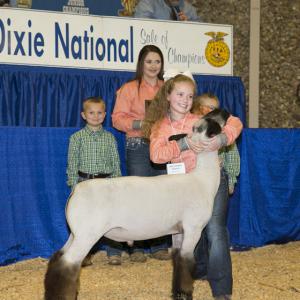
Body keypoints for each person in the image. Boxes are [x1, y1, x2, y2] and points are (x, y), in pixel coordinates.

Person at [143, 74, 243, 300]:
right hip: (182, 188)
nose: (185, 100)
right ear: (168, 95)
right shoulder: (160, 126)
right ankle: (184, 287)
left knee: (216, 231)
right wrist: (183, 143)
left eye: (190, 96)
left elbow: (234, 121)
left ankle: (221, 290)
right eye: (180, 94)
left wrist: (222, 139)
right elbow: (156, 156)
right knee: (184, 239)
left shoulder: (202, 119)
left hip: (211, 185)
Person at [112, 45, 170, 263]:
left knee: (162, 195)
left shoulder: (168, 88)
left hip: (162, 144)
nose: (153, 66)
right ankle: (136, 246)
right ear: (141, 64)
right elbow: (117, 119)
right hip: (137, 143)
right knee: (138, 195)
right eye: (149, 62)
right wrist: (140, 123)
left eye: (157, 62)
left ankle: (159, 245)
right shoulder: (129, 89)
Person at [67, 97, 123, 266]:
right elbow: (72, 163)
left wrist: (118, 186)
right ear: (84, 115)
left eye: (99, 113)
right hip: (85, 184)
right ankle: (84, 253)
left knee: (113, 218)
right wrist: (74, 186)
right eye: (91, 113)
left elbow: (116, 162)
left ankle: (114, 253)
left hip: (107, 184)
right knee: (85, 219)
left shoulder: (110, 138)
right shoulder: (76, 138)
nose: (96, 116)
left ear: (105, 115)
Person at [191, 93, 240, 195]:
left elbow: (232, 155)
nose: (214, 112)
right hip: (193, 176)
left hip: (217, 176)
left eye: (216, 109)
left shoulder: (223, 130)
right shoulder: (190, 127)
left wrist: (231, 180)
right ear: (198, 107)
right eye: (211, 108)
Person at [134, 0, 200, 21]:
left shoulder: (189, 9)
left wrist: (189, 27)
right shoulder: (148, 4)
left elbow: (200, 31)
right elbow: (141, 27)